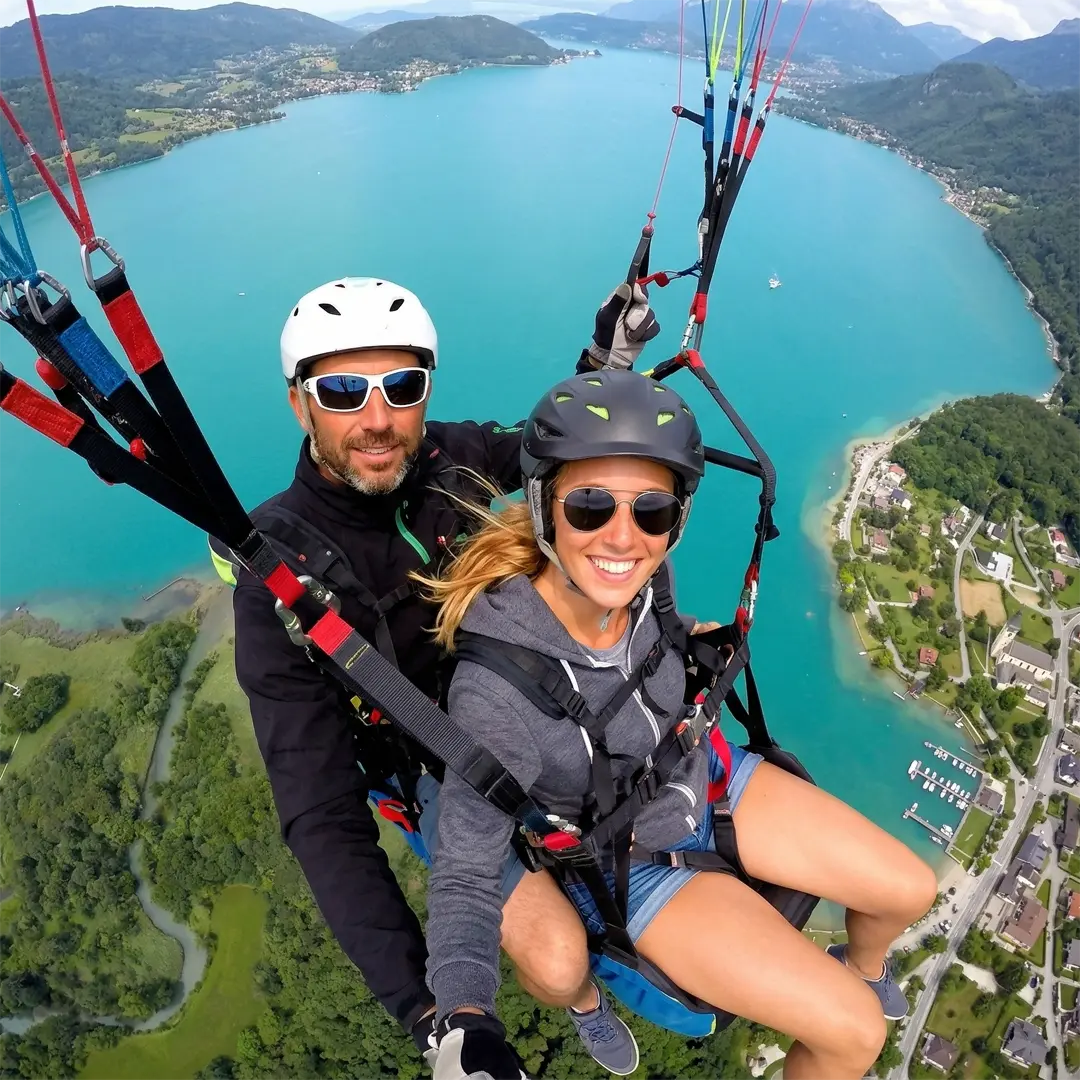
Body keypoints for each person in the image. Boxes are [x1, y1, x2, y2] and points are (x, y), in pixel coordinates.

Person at [420, 370, 939, 1080]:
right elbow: (466, 876)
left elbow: (645, 642)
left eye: (653, 511)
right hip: (631, 859)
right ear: (544, 506)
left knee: (912, 890)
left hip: (702, 778)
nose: (623, 536)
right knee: (852, 1037)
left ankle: (862, 967)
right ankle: (587, 1004)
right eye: (590, 505)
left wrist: (692, 639)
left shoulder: (642, 582)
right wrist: (465, 1023)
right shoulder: (497, 692)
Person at [218, 276, 658, 1071]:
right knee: (558, 962)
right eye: (344, 390)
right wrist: (431, 1016)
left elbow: (545, 448)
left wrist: (607, 363)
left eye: (402, 386)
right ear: (301, 405)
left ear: (425, 396)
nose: (377, 418)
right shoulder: (278, 572)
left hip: (529, 690)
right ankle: (586, 1002)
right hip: (437, 766)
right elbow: (320, 812)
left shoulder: (450, 459)